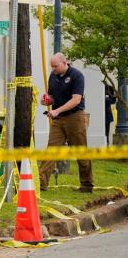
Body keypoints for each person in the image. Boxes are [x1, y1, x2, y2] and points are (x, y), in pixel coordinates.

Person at [39, 53, 94, 192]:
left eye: (56, 66)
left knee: (80, 151)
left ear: (65, 63)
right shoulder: (53, 76)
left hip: (75, 117)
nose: (53, 69)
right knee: (51, 150)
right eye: (51, 66)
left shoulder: (77, 76)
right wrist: (47, 100)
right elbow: (52, 97)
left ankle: (87, 185)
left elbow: (76, 99)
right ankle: (41, 183)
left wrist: (56, 111)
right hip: (58, 120)